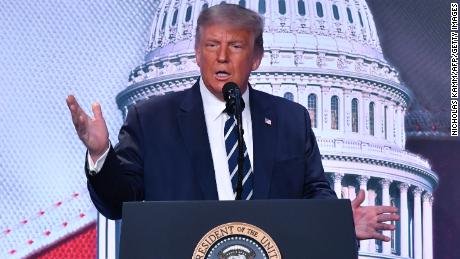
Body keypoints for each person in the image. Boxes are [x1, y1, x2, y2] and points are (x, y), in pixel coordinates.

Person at [66, 3, 398, 242]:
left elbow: (313, 194)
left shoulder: (289, 121)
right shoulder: (152, 120)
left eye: (235, 46)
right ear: (197, 53)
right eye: (212, 45)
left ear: (256, 58)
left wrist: (336, 223)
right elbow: (117, 202)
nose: (222, 57)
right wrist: (100, 155)